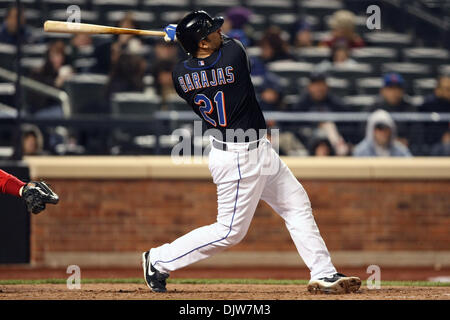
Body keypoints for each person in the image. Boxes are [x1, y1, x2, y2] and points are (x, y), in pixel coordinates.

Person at [142, 11, 361, 294]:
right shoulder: (234, 54)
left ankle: (323, 272)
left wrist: (184, 41)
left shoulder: (179, 75)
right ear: (203, 43)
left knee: (296, 204)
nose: (219, 32)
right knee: (229, 232)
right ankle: (158, 259)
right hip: (238, 155)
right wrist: (183, 38)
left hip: (255, 150)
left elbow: (195, 64)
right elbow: (230, 45)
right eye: (212, 32)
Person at [27, 40, 74, 117]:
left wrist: (71, 80)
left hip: (61, 108)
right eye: (54, 55)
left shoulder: (67, 71)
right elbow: (38, 100)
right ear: (48, 57)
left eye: (60, 55)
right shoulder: (39, 73)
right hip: (42, 110)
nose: (59, 59)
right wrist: (57, 82)